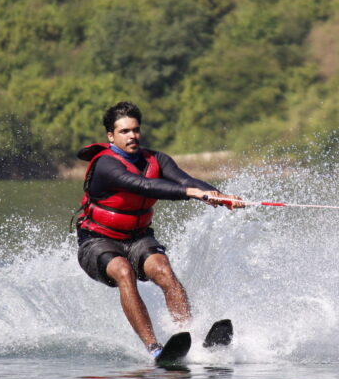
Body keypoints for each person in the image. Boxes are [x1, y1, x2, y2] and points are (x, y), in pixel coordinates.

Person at [74, 101, 241, 360]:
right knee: (123, 271)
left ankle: (190, 338)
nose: (132, 136)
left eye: (136, 130)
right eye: (125, 131)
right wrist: (192, 194)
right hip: (97, 241)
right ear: (111, 136)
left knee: (163, 269)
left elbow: (186, 180)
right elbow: (143, 186)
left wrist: (219, 195)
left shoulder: (157, 159)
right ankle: (154, 349)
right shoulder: (106, 165)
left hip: (138, 237)